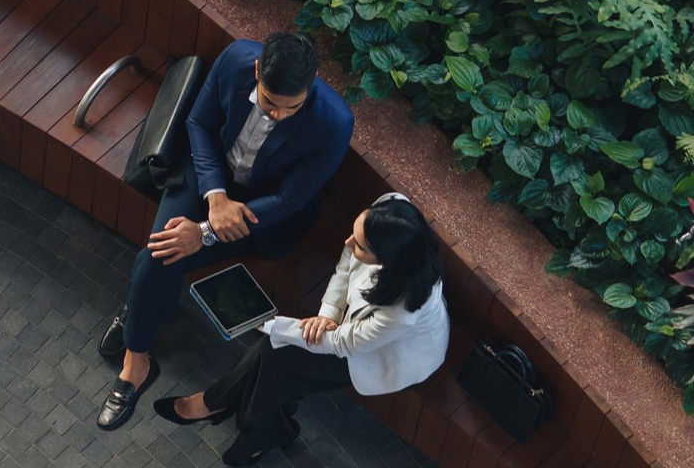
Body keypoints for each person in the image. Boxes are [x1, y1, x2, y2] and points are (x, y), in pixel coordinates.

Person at [94, 32, 354, 430]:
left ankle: (136, 335)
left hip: (261, 210)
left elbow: (289, 199)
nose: (278, 115)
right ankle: (138, 356)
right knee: (161, 253)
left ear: (311, 86)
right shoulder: (236, 59)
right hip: (205, 175)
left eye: (292, 107)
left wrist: (205, 232)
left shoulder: (334, 123)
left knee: (160, 255)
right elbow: (199, 122)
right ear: (256, 71)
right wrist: (214, 197)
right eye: (269, 103)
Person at [154, 193, 449, 466]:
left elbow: (344, 345)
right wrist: (328, 314)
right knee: (276, 360)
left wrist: (267, 324)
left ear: (387, 259)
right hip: (350, 330)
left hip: (382, 356)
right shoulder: (390, 207)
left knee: (275, 355)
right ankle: (247, 428)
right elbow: (346, 266)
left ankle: (217, 403)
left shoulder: (403, 310)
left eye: (360, 245)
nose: (348, 243)